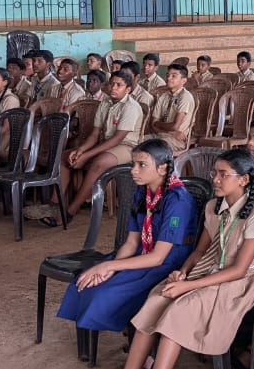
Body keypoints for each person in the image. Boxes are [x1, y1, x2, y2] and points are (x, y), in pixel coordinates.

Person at [69, 147, 254, 369]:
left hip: (237, 281)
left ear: (243, 180)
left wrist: (190, 287)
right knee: (155, 300)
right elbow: (201, 251)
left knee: (177, 312)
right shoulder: (214, 206)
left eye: (222, 174)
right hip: (207, 268)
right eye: (214, 172)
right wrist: (183, 272)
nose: (214, 178)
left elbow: (239, 269)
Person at [56, 140, 197, 335]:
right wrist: (111, 269)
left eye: (142, 165)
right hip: (142, 253)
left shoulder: (178, 200)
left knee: (104, 293)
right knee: (85, 282)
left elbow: (158, 257)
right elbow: (132, 242)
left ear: (163, 168)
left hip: (166, 262)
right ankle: (91, 343)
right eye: (134, 164)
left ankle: (133, 332)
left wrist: (109, 266)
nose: (134, 171)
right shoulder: (142, 191)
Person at [59, 72, 145, 221]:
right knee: (65, 156)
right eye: (111, 84)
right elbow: (94, 134)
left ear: (128, 89)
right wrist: (80, 150)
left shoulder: (131, 107)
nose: (113, 88)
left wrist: (87, 155)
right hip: (106, 142)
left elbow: (117, 139)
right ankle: (56, 204)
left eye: (119, 85)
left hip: (127, 146)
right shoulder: (105, 103)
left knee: (100, 162)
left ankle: (71, 211)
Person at [148, 63, 196, 153]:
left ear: (183, 81)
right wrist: (168, 130)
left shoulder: (185, 97)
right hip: (161, 135)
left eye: (174, 76)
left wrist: (159, 124)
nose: (169, 78)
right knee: (138, 142)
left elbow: (175, 126)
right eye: (168, 75)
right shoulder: (163, 96)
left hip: (177, 140)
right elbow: (152, 124)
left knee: (153, 148)